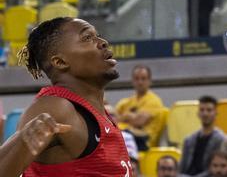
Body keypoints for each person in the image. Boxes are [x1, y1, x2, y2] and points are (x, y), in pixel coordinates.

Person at [0, 17, 132, 175]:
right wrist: (22, 141)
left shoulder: (99, 114)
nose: (102, 42)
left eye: (98, 35)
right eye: (87, 37)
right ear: (60, 62)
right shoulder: (56, 108)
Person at [116, 64, 166, 150]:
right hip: (127, 139)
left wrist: (125, 117)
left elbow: (139, 121)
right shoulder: (126, 102)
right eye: (137, 78)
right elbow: (113, 121)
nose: (140, 82)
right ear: (132, 81)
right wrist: (130, 117)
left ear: (150, 81)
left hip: (145, 143)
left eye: (143, 78)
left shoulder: (154, 101)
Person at [180, 95, 225, 177]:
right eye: (202, 110)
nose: (205, 113)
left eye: (209, 110)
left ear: (216, 113)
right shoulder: (189, 140)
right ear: (198, 113)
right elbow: (182, 167)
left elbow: (215, 169)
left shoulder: (221, 139)